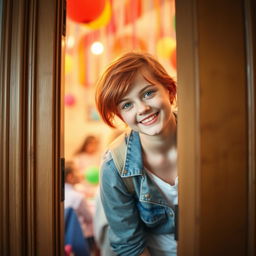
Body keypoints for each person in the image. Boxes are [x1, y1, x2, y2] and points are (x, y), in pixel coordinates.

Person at [95, 52, 178, 256]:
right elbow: (129, 244)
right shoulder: (113, 167)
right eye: (127, 104)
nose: (143, 108)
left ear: (169, 90)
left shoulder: (207, 136)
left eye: (148, 93)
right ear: (121, 116)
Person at [64, 161, 94, 253]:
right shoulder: (78, 197)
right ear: (70, 177)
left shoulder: (60, 193)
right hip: (80, 238)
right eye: (77, 171)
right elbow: (89, 218)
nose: (81, 173)